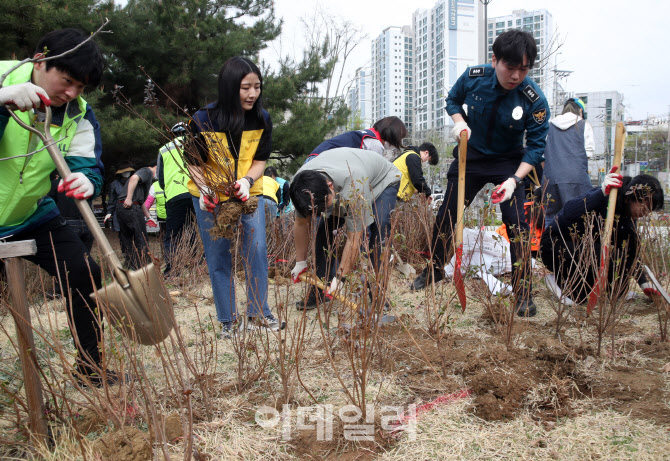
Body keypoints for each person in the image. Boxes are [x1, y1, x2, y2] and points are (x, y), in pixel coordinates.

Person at [0, 28, 118, 385]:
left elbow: (87, 162)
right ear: (39, 62)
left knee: (83, 272)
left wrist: (87, 181)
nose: (71, 93)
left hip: (30, 215)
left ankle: (90, 368)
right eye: (66, 81)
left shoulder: (79, 114)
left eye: (80, 87)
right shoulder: (2, 75)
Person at [410, 29, 550, 317]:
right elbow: (451, 100)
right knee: (447, 214)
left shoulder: (534, 100)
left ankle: (523, 291)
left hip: (508, 163)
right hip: (470, 156)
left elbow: (536, 148)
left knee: (517, 227)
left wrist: (514, 180)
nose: (515, 76)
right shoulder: (475, 77)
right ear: (495, 59)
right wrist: (460, 122)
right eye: (510, 67)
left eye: (523, 69)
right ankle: (436, 269)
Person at [184, 56, 280, 338]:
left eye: (257, 87)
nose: (253, 94)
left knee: (257, 249)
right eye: (245, 87)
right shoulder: (202, 119)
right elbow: (193, 161)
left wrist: (247, 181)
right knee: (218, 255)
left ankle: (258, 314)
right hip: (210, 194)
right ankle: (228, 320)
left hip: (249, 190)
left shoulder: (262, 119)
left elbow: (261, 160)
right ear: (229, 87)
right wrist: (204, 191)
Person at [290, 148, 401, 309]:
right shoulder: (300, 186)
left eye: (324, 206)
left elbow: (353, 237)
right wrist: (300, 262)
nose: (321, 213)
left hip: (381, 181)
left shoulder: (354, 185)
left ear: (330, 186)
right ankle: (320, 289)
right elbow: (301, 223)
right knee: (323, 232)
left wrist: (341, 278)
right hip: (343, 183)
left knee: (379, 231)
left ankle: (379, 293)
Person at [540, 170, 664, 304]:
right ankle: (561, 284)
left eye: (649, 210)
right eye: (645, 207)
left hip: (586, 250)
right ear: (631, 197)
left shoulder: (627, 217)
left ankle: (614, 292)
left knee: (618, 260)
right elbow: (569, 211)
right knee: (603, 256)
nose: (645, 213)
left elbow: (631, 253)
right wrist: (601, 193)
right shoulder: (605, 195)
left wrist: (644, 283)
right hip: (556, 245)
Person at [542, 97, 595, 228]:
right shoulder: (584, 125)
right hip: (577, 179)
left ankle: (549, 246)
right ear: (580, 111)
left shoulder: (549, 126)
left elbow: (542, 155)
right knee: (578, 217)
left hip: (551, 179)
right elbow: (588, 153)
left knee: (550, 217)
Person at [156, 122, 197, 276]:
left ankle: (172, 270)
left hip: (174, 195)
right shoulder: (195, 143)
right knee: (194, 229)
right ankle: (196, 264)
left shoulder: (163, 149)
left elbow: (160, 178)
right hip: (196, 192)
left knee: (172, 234)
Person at [304, 116, 408, 163]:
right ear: (392, 136)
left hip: (313, 159)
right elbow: (369, 175)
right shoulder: (375, 144)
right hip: (320, 163)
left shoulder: (367, 134)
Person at [116, 162, 158, 270]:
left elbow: (141, 201)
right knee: (141, 239)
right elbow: (134, 178)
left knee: (128, 239)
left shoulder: (143, 182)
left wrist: (148, 216)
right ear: (156, 166)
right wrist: (129, 198)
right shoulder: (147, 171)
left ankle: (132, 267)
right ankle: (143, 268)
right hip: (131, 207)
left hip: (124, 207)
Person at [105, 161, 134, 255]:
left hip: (133, 211)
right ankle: (126, 254)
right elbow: (112, 200)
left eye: (128, 171)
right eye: (125, 171)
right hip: (120, 212)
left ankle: (136, 255)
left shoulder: (135, 182)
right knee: (123, 235)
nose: (127, 173)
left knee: (135, 233)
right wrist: (109, 212)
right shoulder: (114, 184)